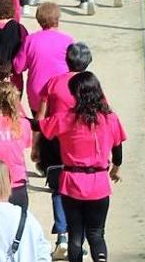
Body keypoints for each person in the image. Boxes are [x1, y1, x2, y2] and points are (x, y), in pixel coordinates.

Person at [39, 72, 126, 262]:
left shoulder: (66, 118)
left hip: (72, 184)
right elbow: (118, 148)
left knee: (75, 236)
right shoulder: (110, 118)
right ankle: (101, 258)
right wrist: (116, 167)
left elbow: (40, 127)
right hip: (99, 184)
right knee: (96, 234)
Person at [33, 42, 94, 258]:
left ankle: (62, 237)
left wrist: (35, 145)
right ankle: (80, 239)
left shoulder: (53, 83)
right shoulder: (91, 84)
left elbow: (40, 117)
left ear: (66, 61)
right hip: (82, 141)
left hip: (54, 140)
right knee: (83, 190)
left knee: (59, 189)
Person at [12, 1, 75, 116]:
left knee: (39, 129)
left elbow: (18, 67)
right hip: (61, 92)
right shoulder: (67, 41)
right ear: (58, 19)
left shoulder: (30, 40)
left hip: (37, 93)